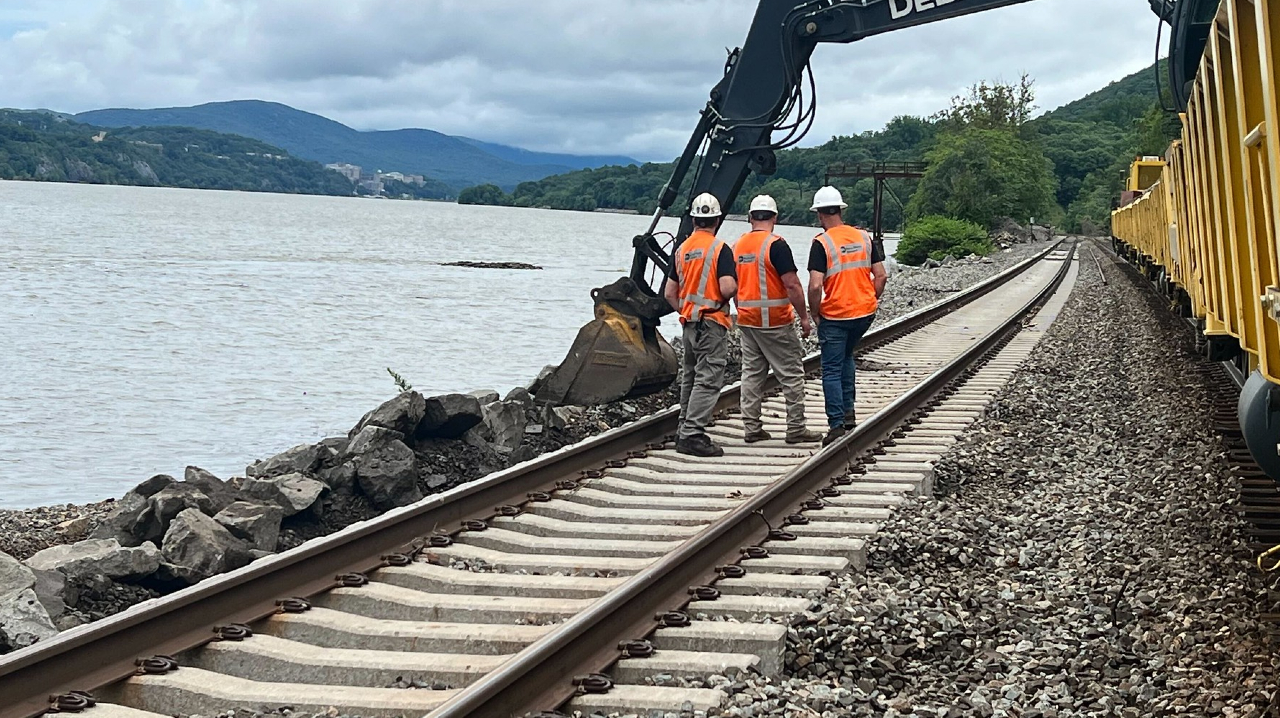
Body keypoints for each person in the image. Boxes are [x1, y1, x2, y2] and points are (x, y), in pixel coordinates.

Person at [732, 195, 823, 445]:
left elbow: (732, 285)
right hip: (774, 321)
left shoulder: (737, 245)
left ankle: (751, 427)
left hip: (747, 321)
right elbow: (792, 285)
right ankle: (795, 428)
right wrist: (804, 317)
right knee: (792, 373)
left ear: (750, 218)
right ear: (775, 217)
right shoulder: (777, 245)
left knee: (751, 374)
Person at [806, 186, 888, 446]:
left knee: (830, 368)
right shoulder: (864, 237)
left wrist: (815, 313)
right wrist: (870, 299)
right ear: (841, 210)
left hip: (836, 316)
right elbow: (882, 275)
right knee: (846, 358)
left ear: (819, 214)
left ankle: (836, 424)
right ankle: (849, 412)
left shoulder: (821, 243)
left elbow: (816, 285)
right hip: (864, 313)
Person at [663, 192, 738, 457]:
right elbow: (728, 287)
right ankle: (692, 435)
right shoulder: (720, 249)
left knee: (691, 376)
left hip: (689, 324)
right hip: (712, 322)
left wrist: (686, 310)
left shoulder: (681, 250)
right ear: (716, 219)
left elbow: (670, 293)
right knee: (708, 379)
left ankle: (683, 426)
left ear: (694, 220)